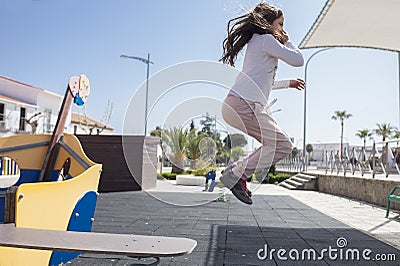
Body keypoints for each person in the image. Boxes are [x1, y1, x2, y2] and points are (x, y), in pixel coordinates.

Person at [220, 2, 305, 204]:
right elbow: (298, 60)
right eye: (280, 24)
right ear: (268, 24)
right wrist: (288, 42)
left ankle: (236, 172)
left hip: (236, 104)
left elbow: (264, 82)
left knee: (276, 145)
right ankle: (237, 174)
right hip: (245, 105)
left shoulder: (257, 43)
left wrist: (289, 84)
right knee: (282, 145)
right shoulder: (266, 40)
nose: (283, 30)